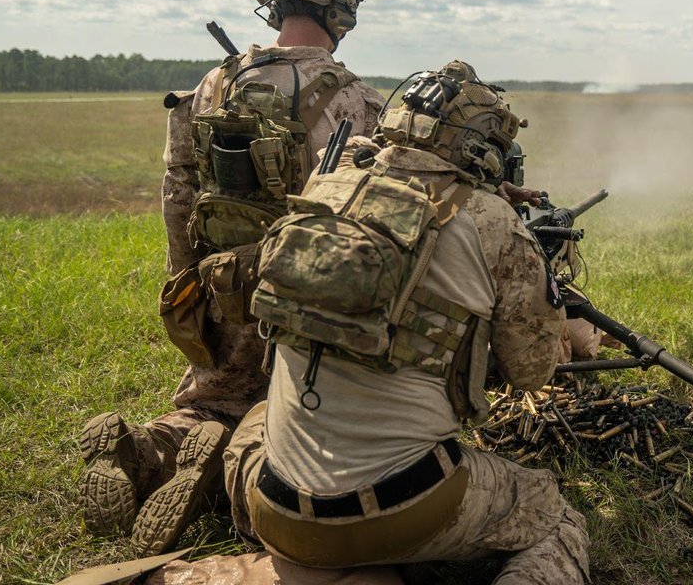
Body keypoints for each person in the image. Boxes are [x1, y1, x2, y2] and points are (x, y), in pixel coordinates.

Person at [222, 62, 590, 583]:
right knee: (553, 515)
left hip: (276, 505)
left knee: (257, 420)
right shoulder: (495, 226)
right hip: (403, 505)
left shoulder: (327, 183)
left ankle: (289, 547)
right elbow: (532, 373)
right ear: (486, 149)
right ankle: (382, 554)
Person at [78, 0, 385, 554]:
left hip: (218, 287)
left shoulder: (212, 85)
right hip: (305, 307)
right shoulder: (358, 100)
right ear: (341, 8)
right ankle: (229, 463)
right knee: (296, 426)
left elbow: (178, 194)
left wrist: (186, 285)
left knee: (208, 401)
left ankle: (147, 448)